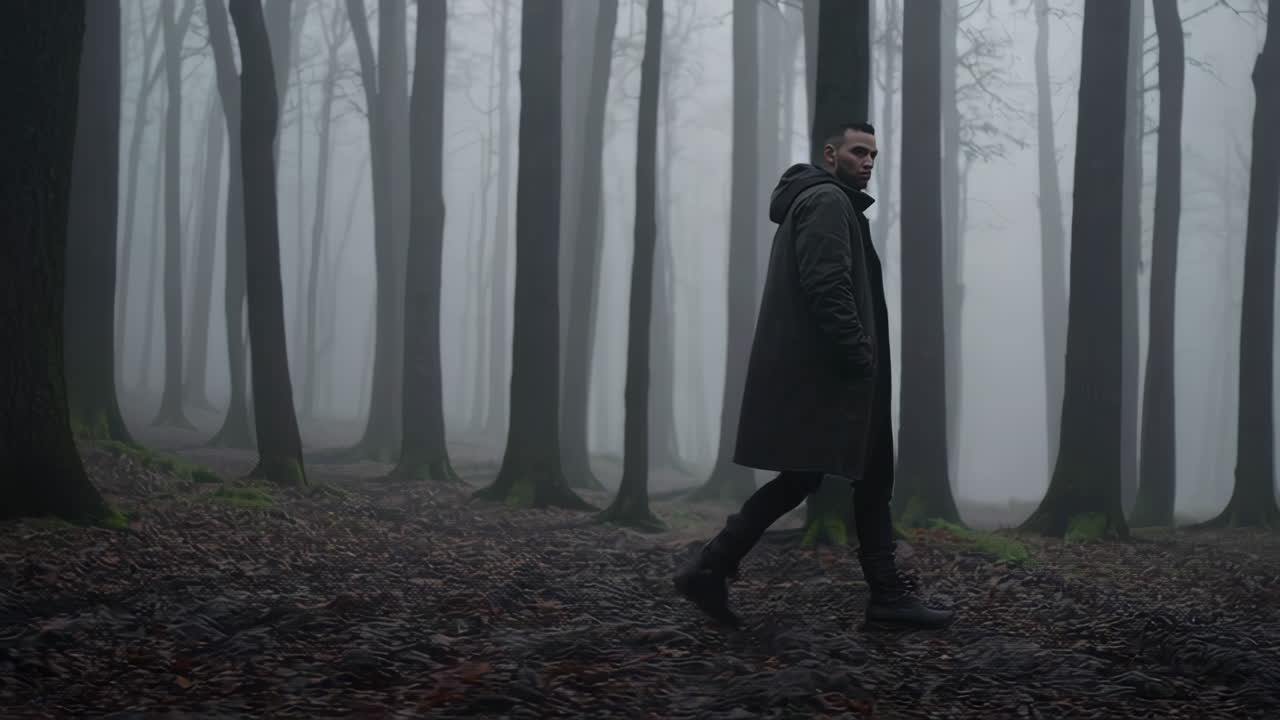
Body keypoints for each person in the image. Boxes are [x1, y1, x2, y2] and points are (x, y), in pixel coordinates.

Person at [673, 122, 955, 631]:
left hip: (826, 372)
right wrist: (859, 354)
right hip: (833, 375)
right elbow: (827, 285)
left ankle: (711, 568)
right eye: (858, 152)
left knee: (818, 479)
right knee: (861, 480)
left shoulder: (825, 201)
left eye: (873, 154)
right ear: (831, 155)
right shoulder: (827, 201)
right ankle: (885, 597)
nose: (868, 162)